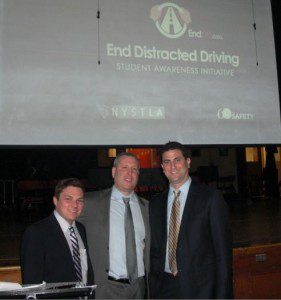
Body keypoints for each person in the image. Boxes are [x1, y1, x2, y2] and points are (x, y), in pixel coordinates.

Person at [149, 141, 233, 299]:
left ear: (188, 162)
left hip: (200, 290)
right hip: (164, 288)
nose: (172, 166)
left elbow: (223, 255)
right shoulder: (155, 203)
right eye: (167, 161)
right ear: (162, 167)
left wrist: (223, 295)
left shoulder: (210, 198)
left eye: (177, 160)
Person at [79, 152, 150, 299]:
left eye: (134, 169)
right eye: (124, 167)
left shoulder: (148, 208)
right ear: (113, 172)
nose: (130, 173)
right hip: (107, 288)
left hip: (139, 287)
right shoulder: (91, 203)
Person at [20, 178, 94, 286]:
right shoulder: (36, 234)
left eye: (79, 200)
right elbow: (32, 285)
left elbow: (86, 272)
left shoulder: (81, 229)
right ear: (55, 200)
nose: (75, 205)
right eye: (68, 199)